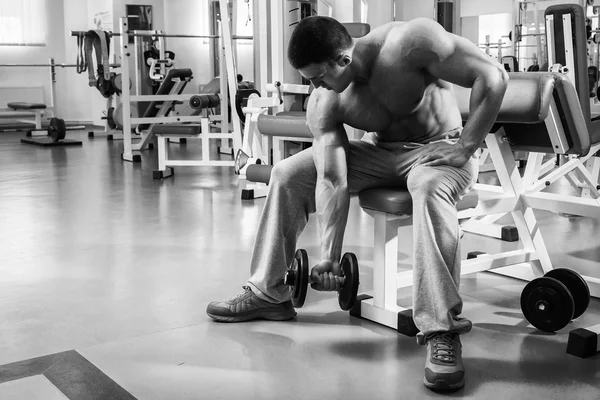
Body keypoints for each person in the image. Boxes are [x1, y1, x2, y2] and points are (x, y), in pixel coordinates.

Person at [207, 16, 508, 391]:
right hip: (381, 152)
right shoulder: (326, 100)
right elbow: (332, 178)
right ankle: (268, 292)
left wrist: (466, 145)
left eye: (318, 77)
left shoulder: (411, 42)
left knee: (428, 188)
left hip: (438, 150)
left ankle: (441, 331)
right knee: (287, 174)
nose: (314, 87)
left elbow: (493, 77)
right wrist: (329, 255)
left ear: (343, 60)